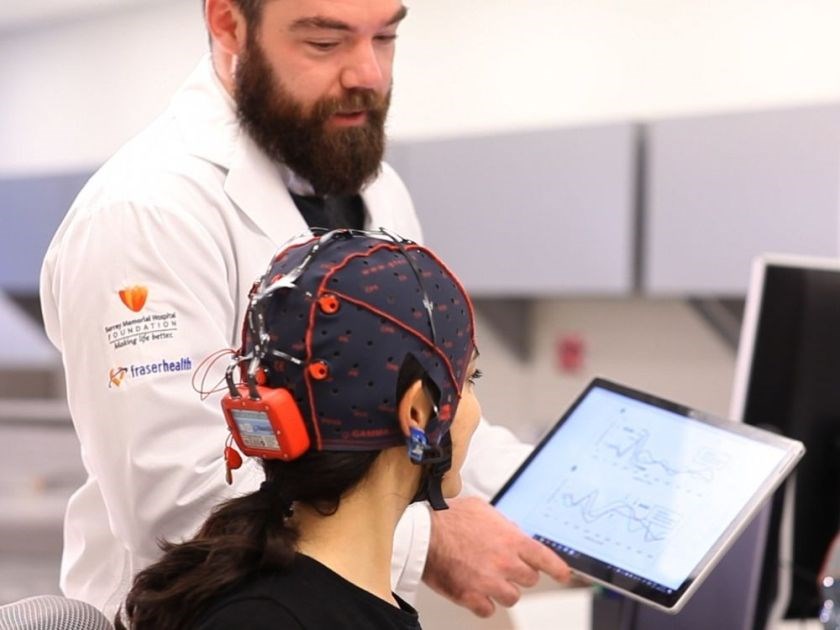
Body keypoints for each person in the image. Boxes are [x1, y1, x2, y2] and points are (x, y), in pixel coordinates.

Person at [39, 0, 570, 620]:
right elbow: (174, 499)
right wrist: (429, 542)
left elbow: (418, 411)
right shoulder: (144, 213)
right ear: (228, 23)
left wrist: (560, 495)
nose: (368, 73)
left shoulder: (373, 187)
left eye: (386, 37)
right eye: (325, 43)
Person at [117, 228, 482, 629]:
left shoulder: (275, 597)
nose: (477, 410)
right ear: (417, 412)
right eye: (470, 380)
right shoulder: (267, 619)